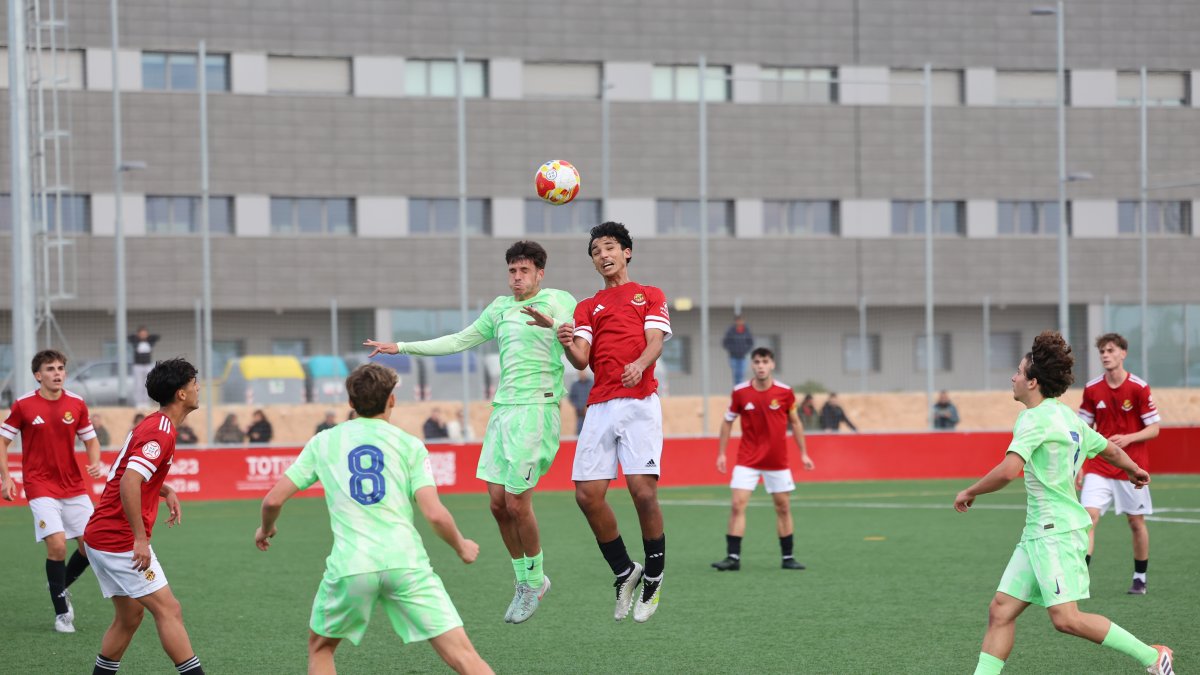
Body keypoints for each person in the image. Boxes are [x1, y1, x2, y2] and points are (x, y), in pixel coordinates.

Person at [365, 240, 575, 624]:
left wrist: (559, 325)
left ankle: (533, 583)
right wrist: (401, 346)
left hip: (537, 410)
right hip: (503, 412)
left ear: (540, 273)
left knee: (516, 503)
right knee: (496, 505)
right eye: (512, 270)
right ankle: (527, 580)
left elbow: (579, 341)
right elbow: (459, 340)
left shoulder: (560, 300)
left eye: (524, 271)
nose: (517, 277)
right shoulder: (499, 308)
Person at [953, 332, 1173, 675]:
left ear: (1033, 382)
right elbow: (1109, 449)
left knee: (1066, 619)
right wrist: (1134, 469)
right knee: (1000, 610)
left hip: (1055, 532)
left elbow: (1010, 470)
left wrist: (970, 491)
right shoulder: (1068, 417)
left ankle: (1152, 656)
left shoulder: (1033, 418)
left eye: (1018, 372)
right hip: (1038, 534)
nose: (1013, 377)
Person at [255, 363, 492, 675]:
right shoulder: (410, 445)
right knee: (464, 656)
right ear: (392, 399)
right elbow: (434, 513)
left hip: (352, 566)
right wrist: (461, 546)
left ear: (351, 404)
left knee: (321, 647)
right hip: (406, 563)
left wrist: (266, 528)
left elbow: (272, 499)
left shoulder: (324, 442)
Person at [556, 221, 670, 623]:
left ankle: (654, 575)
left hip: (640, 401)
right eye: (594, 252)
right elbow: (581, 360)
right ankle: (625, 570)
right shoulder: (587, 306)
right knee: (586, 496)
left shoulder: (650, 295)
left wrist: (639, 364)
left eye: (608, 247)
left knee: (642, 491)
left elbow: (655, 340)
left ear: (626, 252)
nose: (602, 255)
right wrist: (567, 341)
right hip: (600, 405)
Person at [83, 358, 206, 675]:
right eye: (194, 383)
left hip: (102, 535)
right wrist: (139, 538)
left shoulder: (156, 424)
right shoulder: (161, 432)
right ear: (180, 393)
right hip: (118, 539)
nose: (198, 388)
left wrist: (164, 490)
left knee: (130, 617)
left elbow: (126, 471)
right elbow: (128, 481)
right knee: (169, 610)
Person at [0, 349, 104, 633]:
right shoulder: (23, 405)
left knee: (91, 544)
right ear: (38, 375)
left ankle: (59, 585)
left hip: (73, 485)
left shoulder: (77, 403)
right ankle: (61, 614)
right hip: (39, 485)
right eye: (50, 369)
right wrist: (6, 477)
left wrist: (95, 461)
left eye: (60, 368)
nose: (57, 373)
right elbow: (3, 441)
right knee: (57, 544)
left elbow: (91, 440)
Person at [712, 347, 815, 572]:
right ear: (752, 365)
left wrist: (804, 453)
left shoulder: (785, 392)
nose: (760, 365)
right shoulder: (740, 392)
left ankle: (788, 557)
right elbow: (727, 421)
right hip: (747, 459)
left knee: (783, 507)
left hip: (777, 460)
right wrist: (721, 453)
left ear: (772, 364)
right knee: (737, 505)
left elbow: (796, 422)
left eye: (765, 361)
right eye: (757, 361)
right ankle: (732, 558)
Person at [1077, 333, 1160, 595]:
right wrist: (1079, 464)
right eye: (1102, 351)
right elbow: (1083, 428)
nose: (1105, 355)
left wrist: (1129, 438)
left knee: (1136, 523)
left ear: (1123, 353)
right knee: (1087, 520)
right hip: (1099, 466)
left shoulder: (1138, 387)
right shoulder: (1092, 389)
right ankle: (1079, 577)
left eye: (1110, 350)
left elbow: (1155, 428)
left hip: (1131, 469)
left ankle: (1140, 577)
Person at [127, 326, 160, 407]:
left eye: (144, 333)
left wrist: (147, 337)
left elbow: (157, 336)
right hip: (138, 365)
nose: (143, 335)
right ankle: (139, 402)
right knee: (138, 384)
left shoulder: (150, 341)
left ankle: (146, 402)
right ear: (138, 334)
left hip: (147, 365)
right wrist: (138, 337)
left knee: (147, 383)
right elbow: (129, 337)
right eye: (141, 333)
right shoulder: (135, 341)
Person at [721, 315, 754, 386]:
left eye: (741, 320)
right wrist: (732, 349)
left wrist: (745, 350)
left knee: (741, 373)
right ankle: (737, 388)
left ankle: (740, 389)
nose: (740, 322)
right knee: (736, 374)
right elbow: (725, 343)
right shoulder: (730, 331)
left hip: (743, 356)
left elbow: (750, 343)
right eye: (738, 321)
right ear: (735, 321)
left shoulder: (746, 331)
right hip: (733, 356)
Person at [568, 370, 593, 435]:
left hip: (591, 414)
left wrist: (588, 407)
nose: (582, 374)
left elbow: (595, 396)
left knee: (592, 433)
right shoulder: (575, 385)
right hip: (580, 415)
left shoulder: (592, 384)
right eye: (581, 373)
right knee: (579, 433)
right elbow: (571, 398)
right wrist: (580, 407)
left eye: (584, 372)